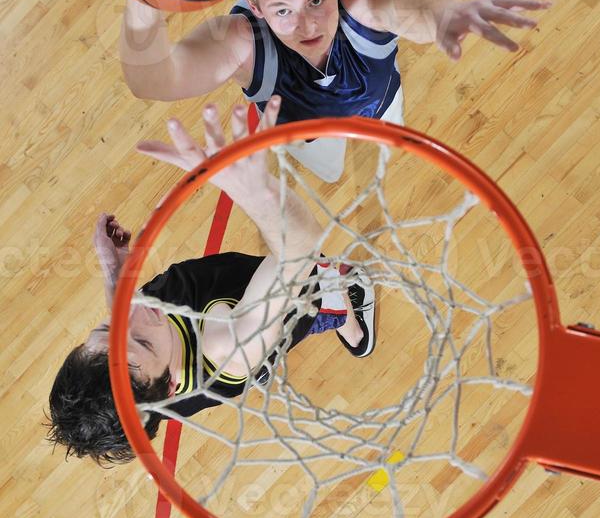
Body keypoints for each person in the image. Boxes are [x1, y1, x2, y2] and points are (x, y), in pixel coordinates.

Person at [120, 0, 552, 182]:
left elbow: (410, 2)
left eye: (316, 0)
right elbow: (153, 80)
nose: (306, 25)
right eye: (282, 11)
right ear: (255, 6)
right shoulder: (241, 42)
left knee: (388, 138)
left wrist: (446, 16)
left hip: (381, 103)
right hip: (309, 136)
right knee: (330, 173)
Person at [46, 97, 375, 466]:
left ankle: (266, 360)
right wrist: (255, 191)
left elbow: (124, 345)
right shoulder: (226, 350)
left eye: (107, 326)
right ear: (170, 383)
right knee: (320, 288)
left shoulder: (137, 378)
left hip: (235, 306)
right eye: (140, 340)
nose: (132, 310)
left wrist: (114, 273)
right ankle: (349, 323)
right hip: (275, 314)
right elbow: (301, 248)